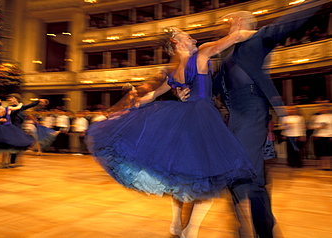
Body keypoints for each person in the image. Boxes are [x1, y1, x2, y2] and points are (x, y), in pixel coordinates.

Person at [87, 27, 255, 238]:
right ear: (177, 42)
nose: (191, 36)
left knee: (183, 174)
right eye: (185, 35)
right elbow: (235, 37)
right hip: (202, 116)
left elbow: (153, 95)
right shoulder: (201, 53)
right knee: (206, 177)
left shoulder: (176, 73)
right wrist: (263, 32)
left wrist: (130, 107)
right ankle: (190, 231)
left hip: (186, 117)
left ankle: (177, 224)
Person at [177, 3, 326, 237]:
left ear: (241, 23)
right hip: (233, 116)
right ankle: (251, 226)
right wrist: (185, 91)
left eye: (230, 21)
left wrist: (310, 2)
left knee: (244, 172)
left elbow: (287, 22)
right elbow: (210, 86)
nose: (226, 26)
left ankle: (262, 229)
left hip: (253, 110)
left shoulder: (257, 40)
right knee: (241, 175)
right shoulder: (227, 56)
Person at [5, 94, 47, 165]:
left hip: (19, 128)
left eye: (11, 98)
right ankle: (11, 160)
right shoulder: (11, 107)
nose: (9, 100)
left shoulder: (21, 107)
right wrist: (20, 106)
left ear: (16, 99)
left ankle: (12, 161)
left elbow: (31, 105)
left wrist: (39, 101)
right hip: (13, 128)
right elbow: (13, 112)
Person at [310, 103, 332, 170]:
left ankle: (329, 165)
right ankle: (323, 165)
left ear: (327, 108)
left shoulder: (331, 116)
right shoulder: (317, 117)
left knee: (329, 152)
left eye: (324, 108)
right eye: (321, 108)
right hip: (320, 136)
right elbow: (312, 126)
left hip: (329, 135)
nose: (323, 109)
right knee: (322, 152)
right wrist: (319, 127)